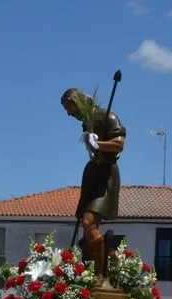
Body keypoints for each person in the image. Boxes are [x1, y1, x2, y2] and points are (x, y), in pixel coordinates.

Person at [61, 87, 126, 278]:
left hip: (106, 174)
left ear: (77, 102)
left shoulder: (109, 117)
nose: (68, 113)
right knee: (85, 223)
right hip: (92, 173)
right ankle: (95, 266)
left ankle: (100, 275)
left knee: (89, 222)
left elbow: (119, 144)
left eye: (69, 108)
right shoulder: (87, 123)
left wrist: (98, 144)